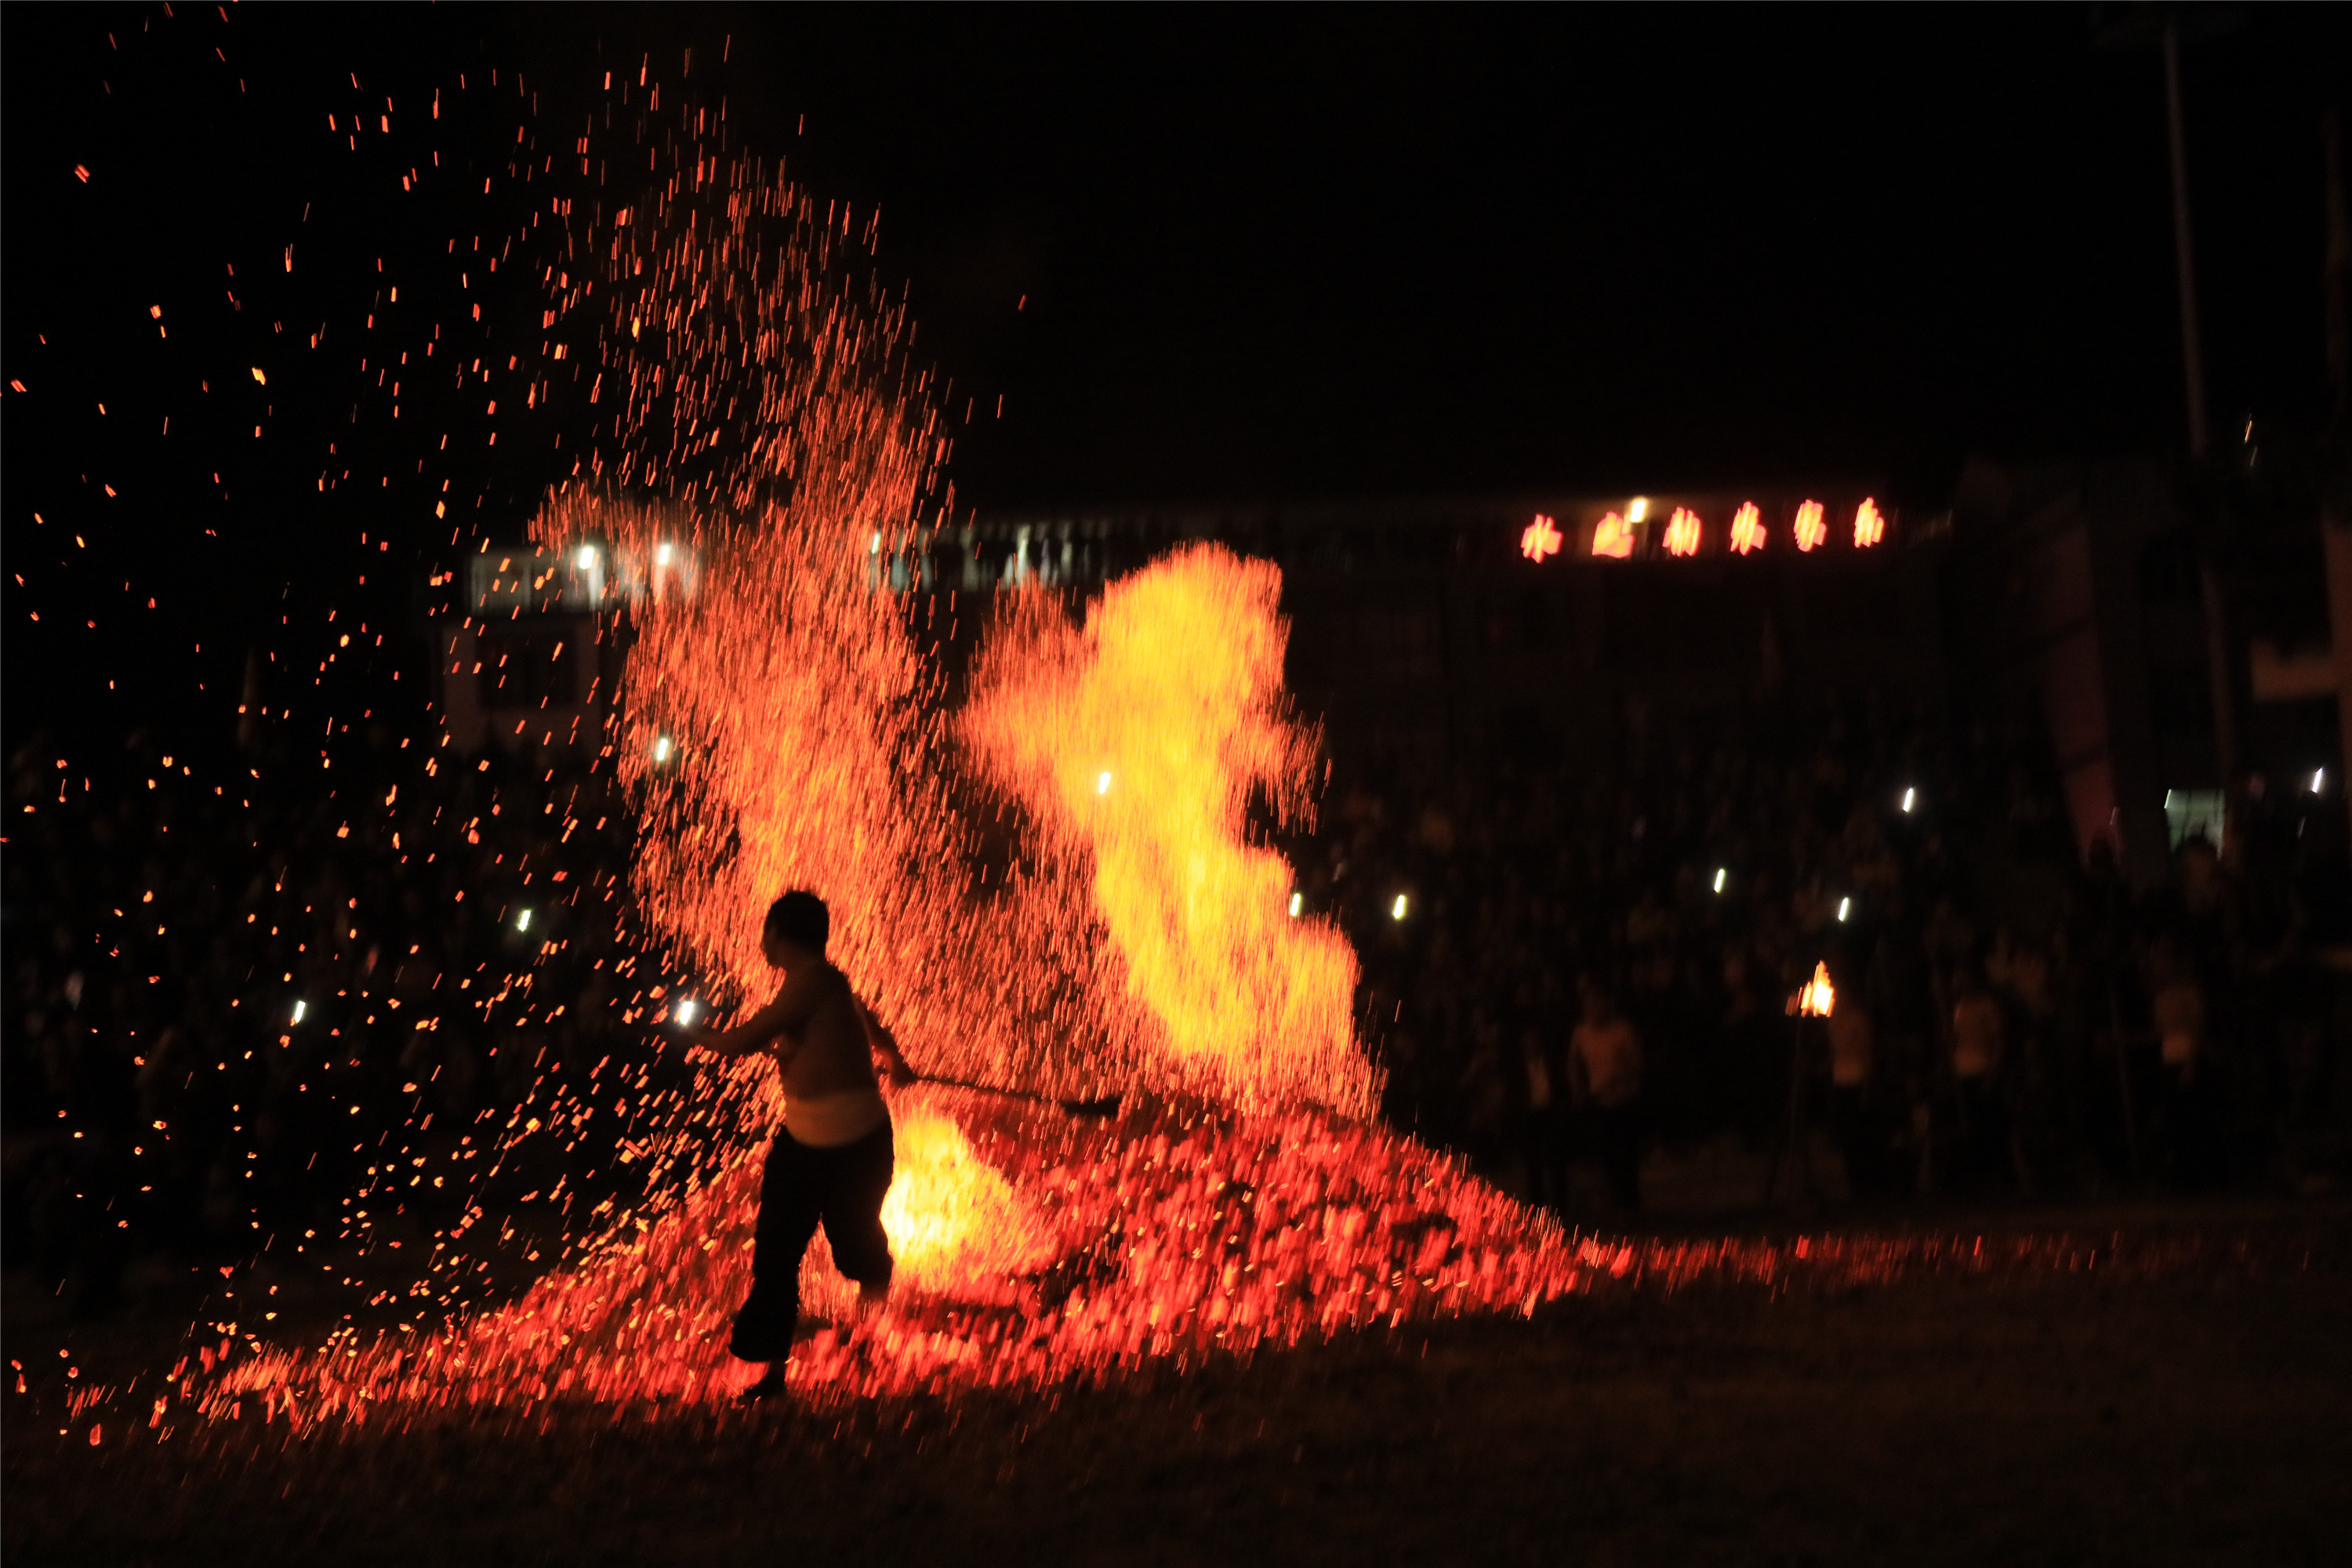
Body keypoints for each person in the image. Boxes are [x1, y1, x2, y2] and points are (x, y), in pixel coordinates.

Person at [680, 890, 919, 1399]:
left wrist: (696, 1035)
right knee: (776, 1258)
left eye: (766, 932)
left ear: (778, 936)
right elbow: (868, 1023)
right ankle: (773, 1375)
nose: (761, 942)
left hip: (855, 1147)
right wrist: (894, 1059)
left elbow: (742, 1042)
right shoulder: (828, 984)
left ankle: (870, 1336)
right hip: (803, 1145)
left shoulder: (810, 985)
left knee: (855, 1247)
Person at [1568, 979, 1644, 1214]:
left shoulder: (1622, 1030)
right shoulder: (1581, 1033)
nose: (1592, 1009)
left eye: (1596, 1004)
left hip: (1624, 1100)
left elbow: (1638, 1063)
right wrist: (1577, 1088)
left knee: (1627, 1155)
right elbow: (1573, 1062)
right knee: (1607, 1155)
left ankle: (1631, 1204)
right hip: (1599, 1101)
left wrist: (1617, 1077)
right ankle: (1618, 1203)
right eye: (1588, 1005)